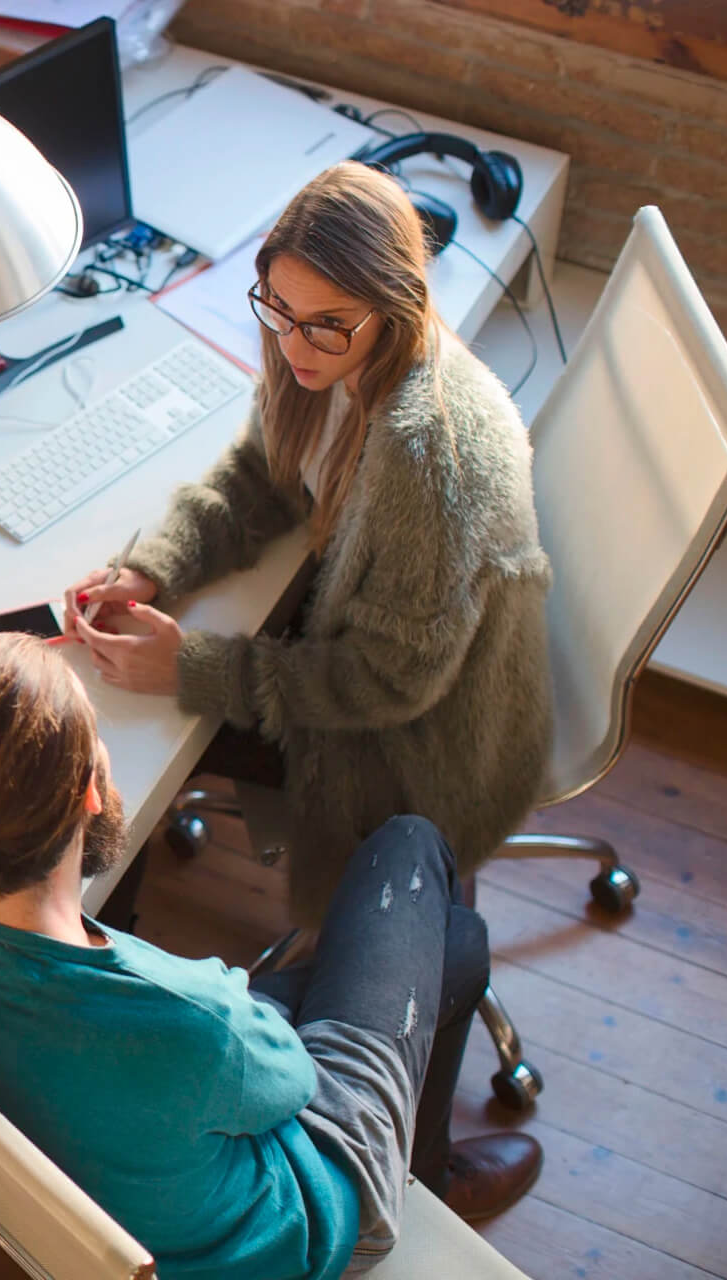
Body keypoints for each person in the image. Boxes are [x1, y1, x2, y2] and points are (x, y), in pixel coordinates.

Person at [0, 637, 540, 1279]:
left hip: (113, 1151)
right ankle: (421, 1182)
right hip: (303, 1220)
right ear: (90, 790)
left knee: (458, 946)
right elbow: (289, 1082)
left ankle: (433, 1163)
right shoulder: (194, 1020)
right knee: (415, 853)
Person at [63, 161, 552, 934]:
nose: (294, 340)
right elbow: (262, 476)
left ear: (395, 305)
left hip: (425, 746)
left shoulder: (428, 454)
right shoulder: (317, 358)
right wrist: (155, 566)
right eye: (278, 309)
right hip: (380, 657)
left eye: (326, 321)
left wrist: (190, 668)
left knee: (114, 757)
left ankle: (118, 962)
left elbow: (390, 682)